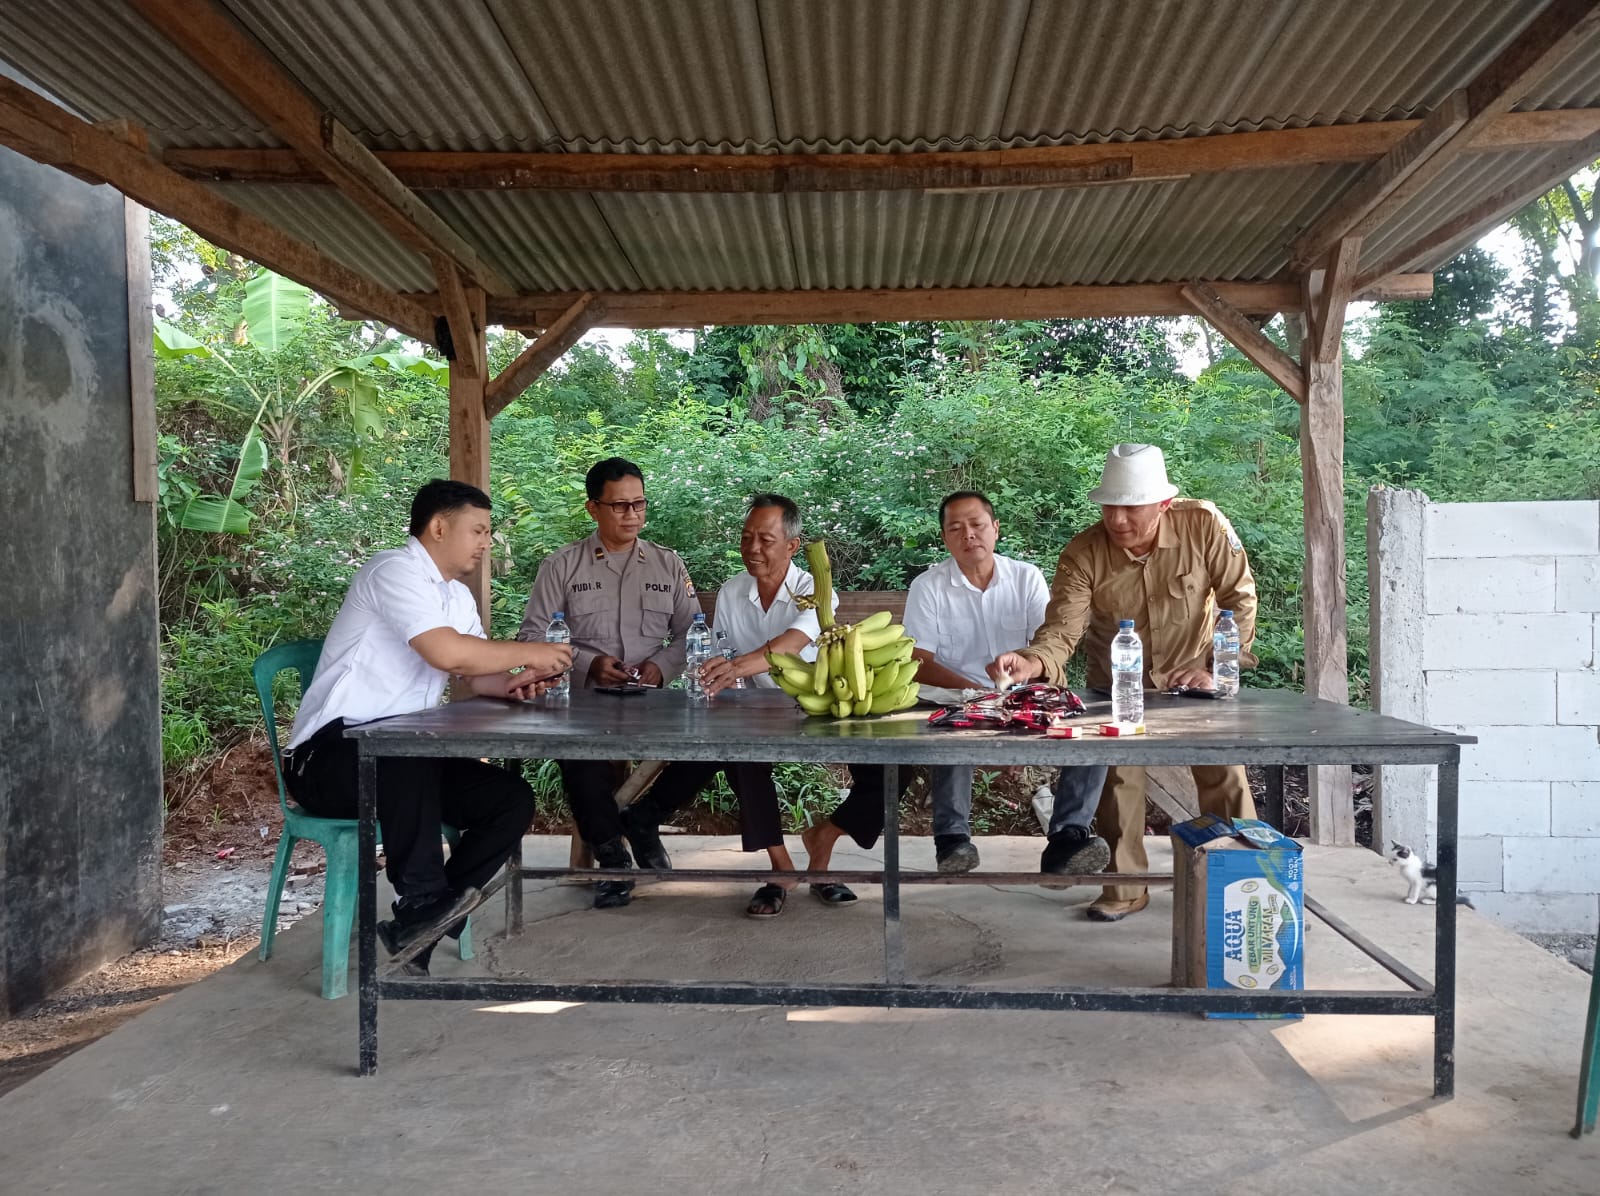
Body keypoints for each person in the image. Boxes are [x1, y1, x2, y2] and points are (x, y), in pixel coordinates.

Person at [282, 480, 569, 973]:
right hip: (327, 758)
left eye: (488, 532)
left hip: (400, 760)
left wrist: (516, 682)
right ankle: (421, 903)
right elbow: (448, 653)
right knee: (404, 750)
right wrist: (532, 651)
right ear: (438, 527)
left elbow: (475, 674)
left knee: (509, 800)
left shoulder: (455, 596)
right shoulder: (393, 571)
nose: (486, 542)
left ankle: (422, 924)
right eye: (478, 530)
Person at [800, 491, 1111, 904]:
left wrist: (1023, 670)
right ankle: (952, 840)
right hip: (952, 698)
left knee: (1092, 732)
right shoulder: (929, 586)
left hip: (1019, 698)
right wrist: (971, 693)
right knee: (951, 726)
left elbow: (1048, 643)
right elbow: (919, 660)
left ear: (995, 529)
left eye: (977, 525)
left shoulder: (1026, 578)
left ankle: (1067, 838)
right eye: (956, 528)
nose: (969, 535)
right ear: (945, 537)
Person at [991, 444, 1258, 922]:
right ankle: (1125, 887)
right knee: (1118, 785)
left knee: (1224, 776)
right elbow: (1062, 630)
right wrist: (1031, 662)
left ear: (1164, 504)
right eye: (1109, 506)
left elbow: (1239, 598)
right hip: (1119, 687)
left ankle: (1245, 886)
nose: (1117, 519)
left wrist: (1218, 667)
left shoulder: (1204, 525)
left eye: (1131, 507)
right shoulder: (1083, 552)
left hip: (1195, 680)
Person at [620, 494, 834, 918]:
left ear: (792, 545)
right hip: (752, 710)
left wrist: (736, 667)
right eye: (746, 537)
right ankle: (781, 867)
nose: (753, 548)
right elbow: (720, 653)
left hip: (812, 710)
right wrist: (721, 677)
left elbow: (790, 646)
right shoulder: (733, 591)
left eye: (765, 540)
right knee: (736, 746)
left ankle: (647, 812)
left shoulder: (814, 590)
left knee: (736, 746)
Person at [517, 456, 701, 908]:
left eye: (639, 504)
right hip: (585, 702)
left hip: (652, 701)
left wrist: (662, 665)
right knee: (581, 759)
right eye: (619, 506)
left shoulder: (667, 564)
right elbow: (532, 636)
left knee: (710, 748)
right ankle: (612, 857)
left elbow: (693, 633)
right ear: (593, 508)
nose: (632, 515)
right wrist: (588, 663)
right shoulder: (562, 565)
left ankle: (645, 818)